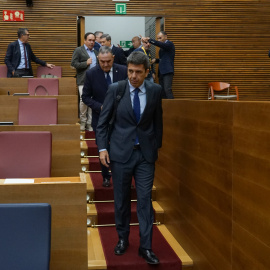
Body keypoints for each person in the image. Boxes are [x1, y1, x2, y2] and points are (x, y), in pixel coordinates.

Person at [96, 51, 163, 264]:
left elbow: (158, 122)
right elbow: (103, 123)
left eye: (138, 72)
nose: (133, 76)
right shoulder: (116, 89)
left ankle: (146, 247)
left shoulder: (155, 91)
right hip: (120, 154)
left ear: (146, 73)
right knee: (122, 201)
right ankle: (123, 239)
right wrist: (102, 149)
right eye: (130, 71)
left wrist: (155, 147)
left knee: (144, 201)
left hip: (144, 155)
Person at [82, 46, 127, 187]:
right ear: (98, 60)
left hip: (121, 119)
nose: (106, 64)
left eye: (108, 61)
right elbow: (85, 97)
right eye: (102, 62)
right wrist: (100, 107)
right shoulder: (91, 74)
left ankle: (124, 177)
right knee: (103, 148)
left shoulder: (124, 71)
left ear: (113, 58)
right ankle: (106, 176)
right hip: (100, 118)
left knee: (122, 148)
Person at [71, 32, 98, 131]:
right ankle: (82, 121)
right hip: (83, 80)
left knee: (92, 102)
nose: (92, 42)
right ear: (85, 40)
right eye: (90, 40)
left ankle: (90, 123)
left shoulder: (96, 52)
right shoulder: (79, 50)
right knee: (83, 101)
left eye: (93, 40)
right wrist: (85, 63)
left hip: (95, 81)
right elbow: (73, 64)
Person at [142, 31, 175, 99]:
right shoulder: (162, 47)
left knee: (167, 90)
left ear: (166, 36)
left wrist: (149, 40)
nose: (159, 40)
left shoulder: (169, 44)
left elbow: (160, 44)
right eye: (158, 39)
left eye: (160, 38)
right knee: (162, 91)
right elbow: (163, 59)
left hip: (168, 71)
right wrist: (156, 60)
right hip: (161, 72)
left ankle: (172, 108)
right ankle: (164, 107)